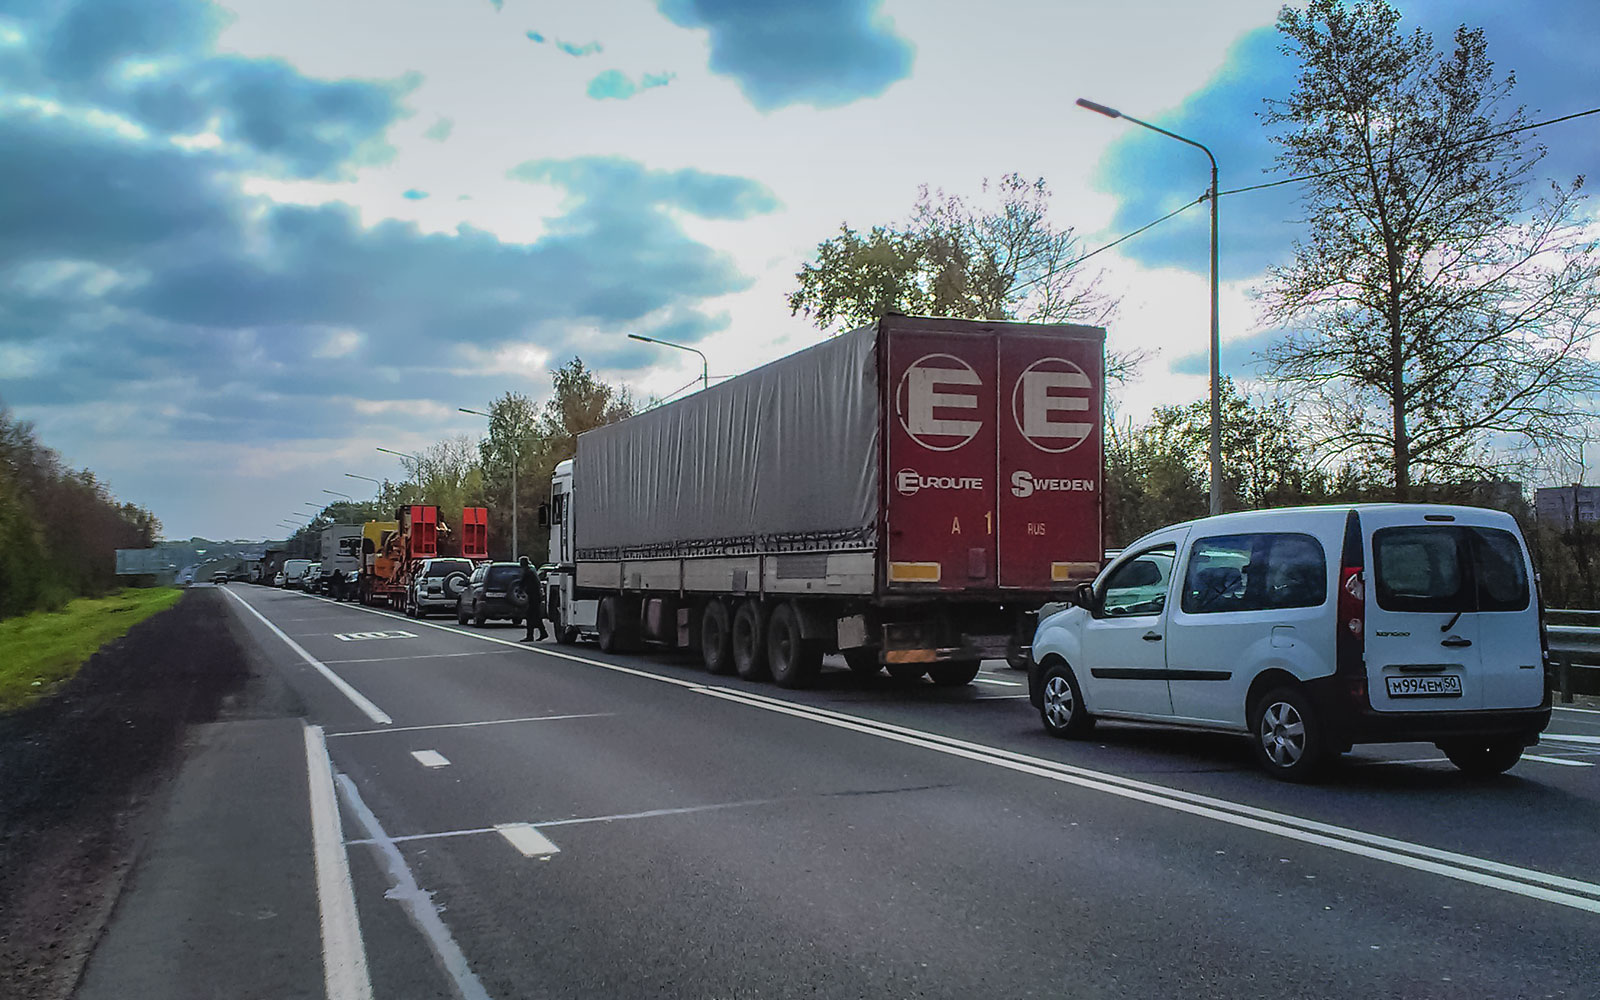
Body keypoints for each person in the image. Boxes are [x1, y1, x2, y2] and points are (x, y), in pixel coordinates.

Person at [519, 556, 547, 642]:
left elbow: (522, 583)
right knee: (535, 616)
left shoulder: (528, 572)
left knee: (530, 616)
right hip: (536, 596)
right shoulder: (532, 570)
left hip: (533, 597)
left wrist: (520, 591)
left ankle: (530, 636)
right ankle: (543, 632)